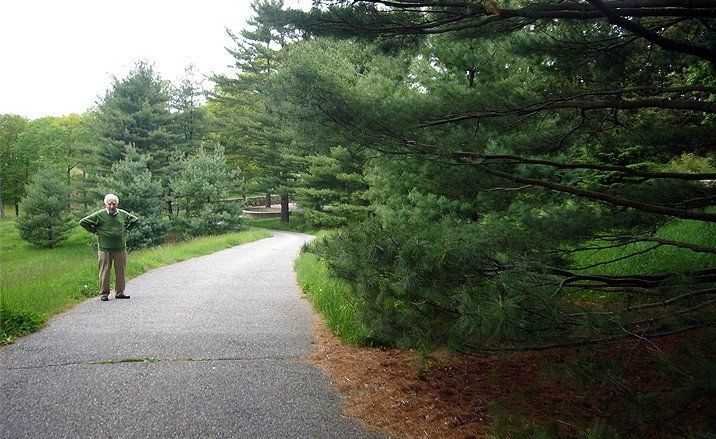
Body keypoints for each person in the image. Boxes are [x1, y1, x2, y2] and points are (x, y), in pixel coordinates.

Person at [79, 194, 140, 301]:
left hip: (120, 248)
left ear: (117, 204)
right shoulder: (99, 215)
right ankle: (104, 294)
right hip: (104, 249)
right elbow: (83, 222)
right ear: (105, 204)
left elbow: (135, 220)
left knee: (120, 272)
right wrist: (96, 231)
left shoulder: (122, 214)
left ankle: (120, 293)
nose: (112, 206)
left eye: (114, 204)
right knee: (104, 272)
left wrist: (126, 230)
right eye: (109, 204)